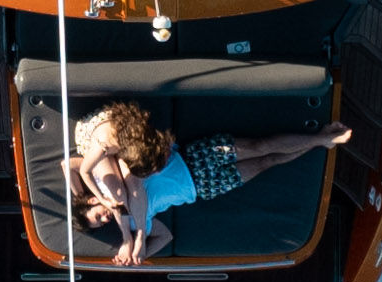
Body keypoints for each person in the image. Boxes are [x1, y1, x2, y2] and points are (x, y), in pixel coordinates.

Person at [65, 100, 351, 263]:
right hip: (203, 189)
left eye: (96, 215)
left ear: (93, 201)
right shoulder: (131, 220)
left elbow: (71, 165)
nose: (103, 218)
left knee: (259, 145)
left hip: (195, 160)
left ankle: (322, 137)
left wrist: (85, 200)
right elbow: (166, 236)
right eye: (101, 223)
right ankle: (319, 143)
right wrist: (136, 256)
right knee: (268, 162)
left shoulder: (113, 186)